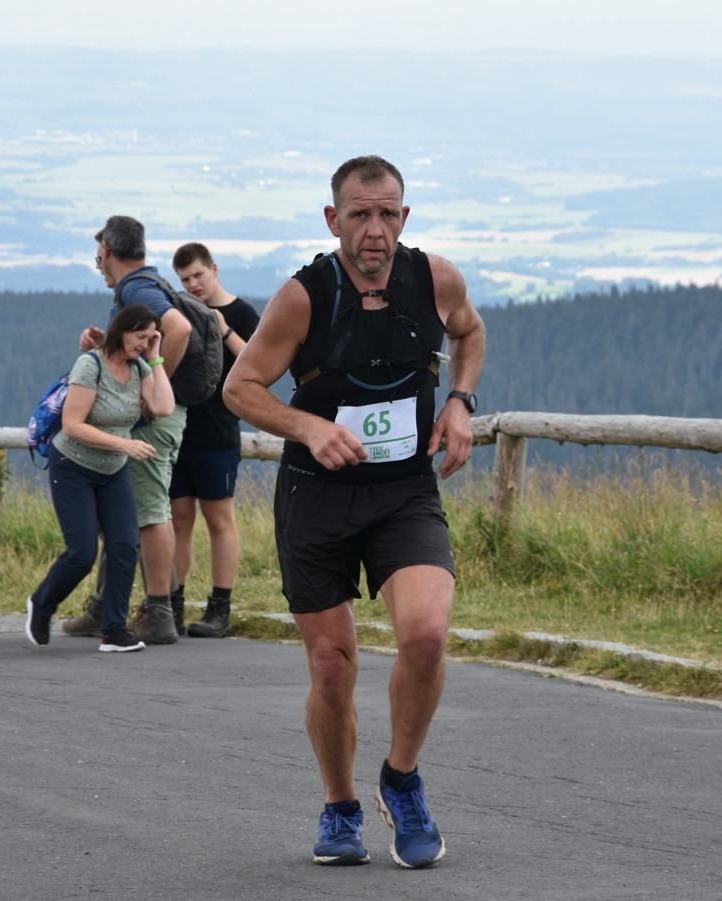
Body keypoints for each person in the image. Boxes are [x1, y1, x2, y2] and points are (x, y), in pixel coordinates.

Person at [223, 155, 486, 868]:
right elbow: (241, 388)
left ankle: (401, 779)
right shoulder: (303, 298)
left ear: (405, 216)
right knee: (333, 667)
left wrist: (461, 402)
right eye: (360, 214)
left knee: (426, 635)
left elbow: (470, 332)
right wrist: (309, 427)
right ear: (333, 219)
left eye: (388, 213)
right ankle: (340, 806)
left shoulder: (435, 279)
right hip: (318, 494)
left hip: (404, 491)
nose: (375, 230)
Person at [61, 215, 192, 645]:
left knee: (150, 511)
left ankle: (158, 611)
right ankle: (106, 606)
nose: (98, 264)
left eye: (98, 256)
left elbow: (179, 328)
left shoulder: (135, 287)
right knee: (122, 509)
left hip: (151, 418)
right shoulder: (146, 284)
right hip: (153, 415)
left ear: (108, 252)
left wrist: (149, 389)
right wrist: (108, 344)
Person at [25, 303, 174, 652]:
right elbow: (72, 425)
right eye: (140, 336)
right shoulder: (90, 365)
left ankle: (114, 631)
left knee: (124, 547)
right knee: (83, 552)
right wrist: (124, 444)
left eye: (150, 337)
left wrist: (155, 357)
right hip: (72, 466)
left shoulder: (140, 367)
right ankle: (41, 605)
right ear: (122, 331)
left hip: (112, 469)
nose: (144, 343)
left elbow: (164, 406)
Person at [168, 242, 260, 637]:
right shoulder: (179, 314)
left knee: (219, 520)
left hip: (219, 433)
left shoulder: (242, 313)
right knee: (178, 521)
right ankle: (170, 605)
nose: (193, 285)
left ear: (214, 269)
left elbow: (257, 362)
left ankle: (220, 609)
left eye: (198, 275)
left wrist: (222, 329)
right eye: (185, 279)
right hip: (178, 432)